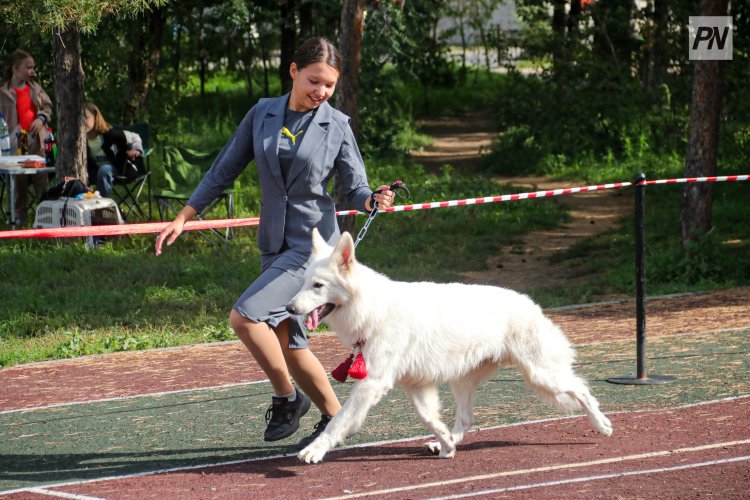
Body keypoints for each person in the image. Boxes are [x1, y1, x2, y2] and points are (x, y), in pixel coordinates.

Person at [155, 37, 397, 448]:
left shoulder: (336, 124)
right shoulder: (262, 114)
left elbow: (354, 185)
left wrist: (372, 198)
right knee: (289, 341)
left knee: (246, 318)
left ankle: (287, 399)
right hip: (273, 243)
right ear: (293, 71)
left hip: (313, 247)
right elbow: (223, 170)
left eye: (329, 86)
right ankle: (336, 419)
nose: (320, 91)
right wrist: (184, 215)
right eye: (313, 81)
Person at [0, 50, 53, 226]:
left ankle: (45, 217)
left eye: (33, 67)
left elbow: (47, 106)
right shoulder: (4, 92)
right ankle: (18, 219)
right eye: (28, 67)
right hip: (17, 138)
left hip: (35, 137)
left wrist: (41, 118)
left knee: (40, 177)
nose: (32, 71)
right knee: (18, 180)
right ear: (15, 68)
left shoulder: (35, 88)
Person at [84, 101, 143, 198]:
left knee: (104, 170)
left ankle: (102, 205)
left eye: (86, 117)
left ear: (96, 117)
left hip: (121, 169)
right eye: (79, 118)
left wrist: (137, 150)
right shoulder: (80, 142)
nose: (82, 121)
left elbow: (135, 137)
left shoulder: (111, 134)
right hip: (95, 173)